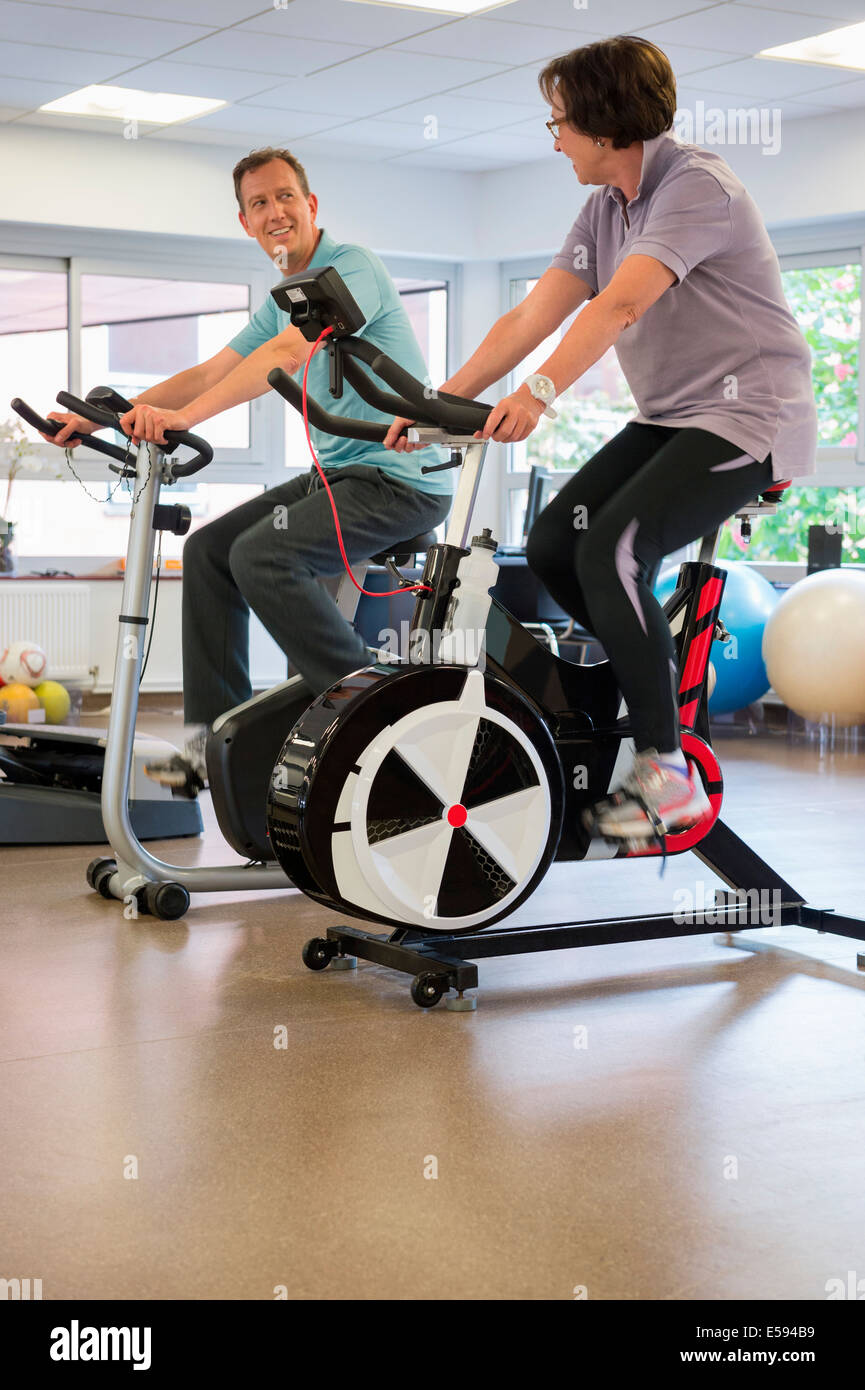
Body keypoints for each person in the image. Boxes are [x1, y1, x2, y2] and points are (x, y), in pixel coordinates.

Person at [385, 34, 818, 844]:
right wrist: (443, 401)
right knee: (554, 545)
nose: (554, 139)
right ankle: (635, 681)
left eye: (560, 123)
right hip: (668, 415)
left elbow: (618, 306)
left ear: (606, 122)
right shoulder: (605, 205)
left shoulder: (696, 188)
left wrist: (539, 395)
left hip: (748, 415)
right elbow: (533, 312)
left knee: (610, 550)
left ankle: (668, 770)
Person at [43, 148, 452, 793]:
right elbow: (213, 371)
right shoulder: (281, 296)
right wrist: (109, 416)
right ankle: (208, 750)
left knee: (262, 557)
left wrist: (188, 419)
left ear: (311, 206)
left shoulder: (353, 267)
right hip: (342, 476)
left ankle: (376, 727)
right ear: (245, 222)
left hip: (402, 480)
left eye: (285, 197)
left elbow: (291, 352)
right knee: (209, 551)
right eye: (259, 203)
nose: (275, 212)